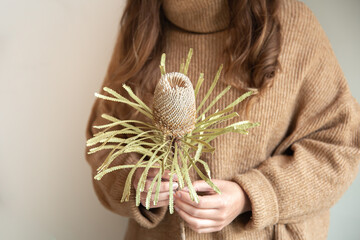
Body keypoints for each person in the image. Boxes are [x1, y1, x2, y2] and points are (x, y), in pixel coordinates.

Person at [85, 0, 360, 239]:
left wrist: (251, 195)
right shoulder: (141, 27)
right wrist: (135, 183)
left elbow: (341, 145)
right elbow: (103, 139)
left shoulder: (291, 24)